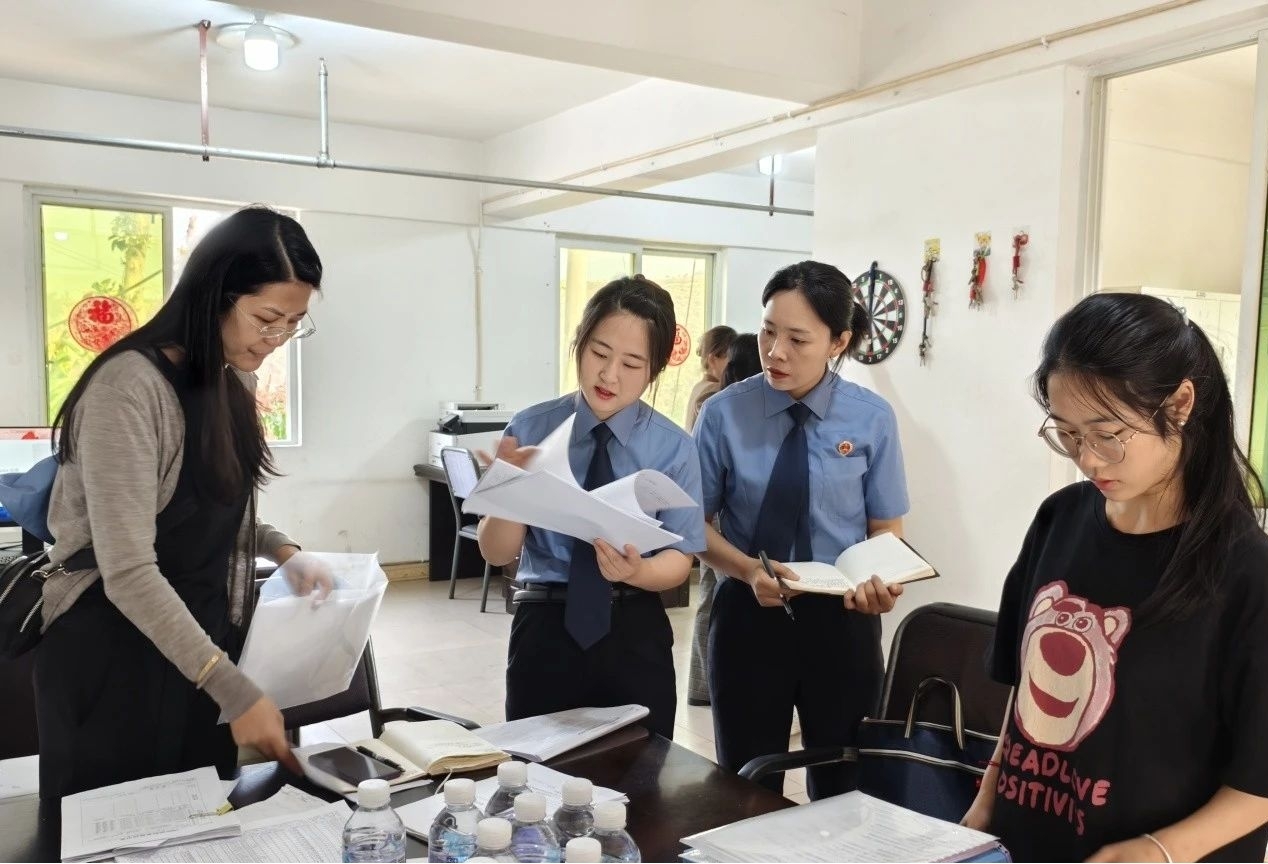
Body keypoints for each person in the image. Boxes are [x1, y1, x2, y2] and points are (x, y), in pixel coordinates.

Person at [36, 207, 332, 801]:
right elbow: (127, 569)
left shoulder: (231, 378)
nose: (275, 340)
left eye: (293, 324)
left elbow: (217, 506)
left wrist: (282, 549)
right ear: (214, 295)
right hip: (113, 653)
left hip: (198, 644)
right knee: (116, 822)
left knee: (205, 817)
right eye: (265, 320)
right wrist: (232, 688)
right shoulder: (128, 388)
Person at [962, 293, 1268, 862]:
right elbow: (1025, 690)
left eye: (1108, 434)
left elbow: (1259, 781)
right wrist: (989, 796)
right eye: (1068, 434)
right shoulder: (1059, 519)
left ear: (1179, 404)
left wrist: (1157, 851)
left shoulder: (1247, 572)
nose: (1089, 460)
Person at [694, 260, 909, 799]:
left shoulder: (872, 418)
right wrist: (748, 570)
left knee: (845, 785)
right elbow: (692, 524)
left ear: (838, 342)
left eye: (797, 339)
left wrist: (882, 582)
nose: (776, 352)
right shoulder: (722, 415)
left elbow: (886, 528)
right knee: (745, 785)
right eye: (768, 331)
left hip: (842, 620)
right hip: (748, 613)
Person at [477, 275, 705, 739]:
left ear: (655, 370)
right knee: (537, 765)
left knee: (641, 767)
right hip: (544, 625)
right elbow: (496, 552)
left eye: (632, 363)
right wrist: (509, 492)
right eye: (599, 353)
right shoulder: (531, 426)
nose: (609, 375)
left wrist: (638, 571)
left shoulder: (674, 447)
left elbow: (680, 559)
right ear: (579, 342)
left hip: (634, 627)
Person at [686, 332, 761, 706]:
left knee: (708, 598)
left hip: (710, 512)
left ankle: (703, 687)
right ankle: (711, 685)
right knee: (719, 597)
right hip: (717, 517)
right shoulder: (717, 404)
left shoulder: (710, 396)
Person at [685, 325, 737, 432]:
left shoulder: (699, 386)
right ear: (713, 359)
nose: (735, 366)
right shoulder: (715, 390)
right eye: (731, 359)